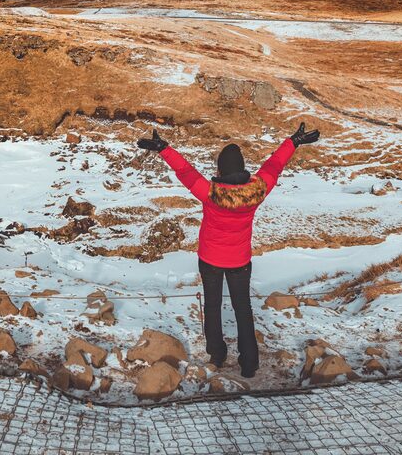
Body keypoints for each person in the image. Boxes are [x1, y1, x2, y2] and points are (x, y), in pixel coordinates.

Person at [137, 122, 320, 378]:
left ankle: (217, 354)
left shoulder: (210, 193)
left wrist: (164, 149)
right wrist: (293, 142)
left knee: (212, 306)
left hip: (210, 259)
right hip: (240, 261)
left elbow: (185, 171)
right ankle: (249, 364)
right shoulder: (257, 191)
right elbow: (274, 166)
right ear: (243, 169)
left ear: (220, 169)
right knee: (242, 309)